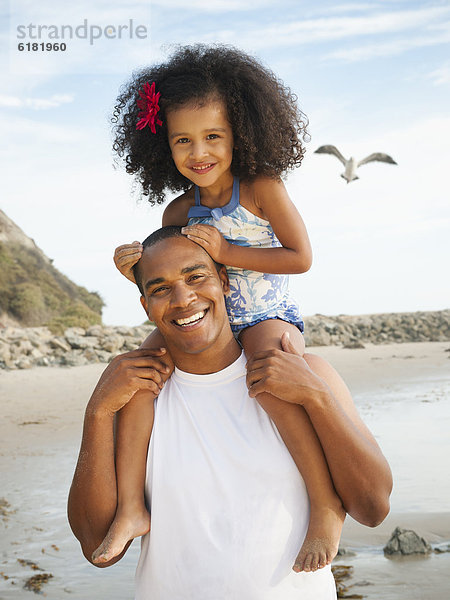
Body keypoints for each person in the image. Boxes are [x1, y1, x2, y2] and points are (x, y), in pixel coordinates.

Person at [93, 44, 367, 571]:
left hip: (264, 314)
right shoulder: (178, 208)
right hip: (209, 317)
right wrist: (135, 267)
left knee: (270, 374)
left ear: (241, 131)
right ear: (163, 145)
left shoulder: (261, 189)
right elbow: (172, 273)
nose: (200, 150)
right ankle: (131, 505)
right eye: (183, 140)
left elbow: (301, 257)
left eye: (213, 136)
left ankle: (326, 503)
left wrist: (227, 252)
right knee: (137, 372)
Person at [68, 227, 392, 599]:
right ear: (146, 306)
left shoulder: (305, 375)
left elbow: (373, 508)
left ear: (224, 281)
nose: (183, 298)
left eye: (196, 277)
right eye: (160, 289)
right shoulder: (138, 397)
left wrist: (318, 397)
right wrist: (97, 412)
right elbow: (97, 546)